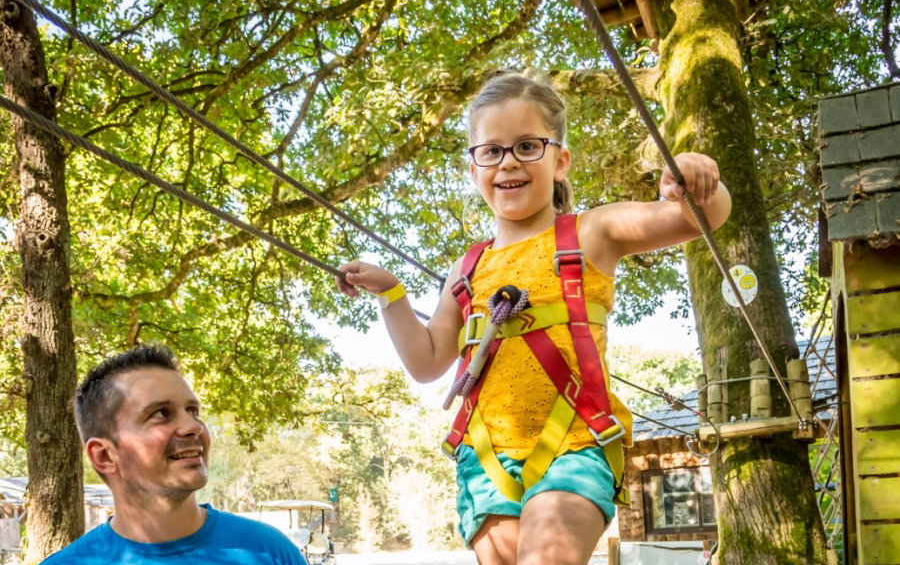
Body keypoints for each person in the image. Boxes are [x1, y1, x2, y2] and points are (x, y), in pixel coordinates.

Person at [337, 74, 731, 565]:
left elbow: (703, 216)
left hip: (575, 441)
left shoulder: (592, 233)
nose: (508, 162)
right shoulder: (468, 268)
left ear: (559, 161)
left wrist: (693, 179)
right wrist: (392, 294)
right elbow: (427, 362)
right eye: (492, 151)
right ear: (474, 166)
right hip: (485, 456)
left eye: (527, 146)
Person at [43, 344, 308, 565]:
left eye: (193, 411)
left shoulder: (269, 552)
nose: (194, 427)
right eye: (160, 413)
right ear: (104, 456)